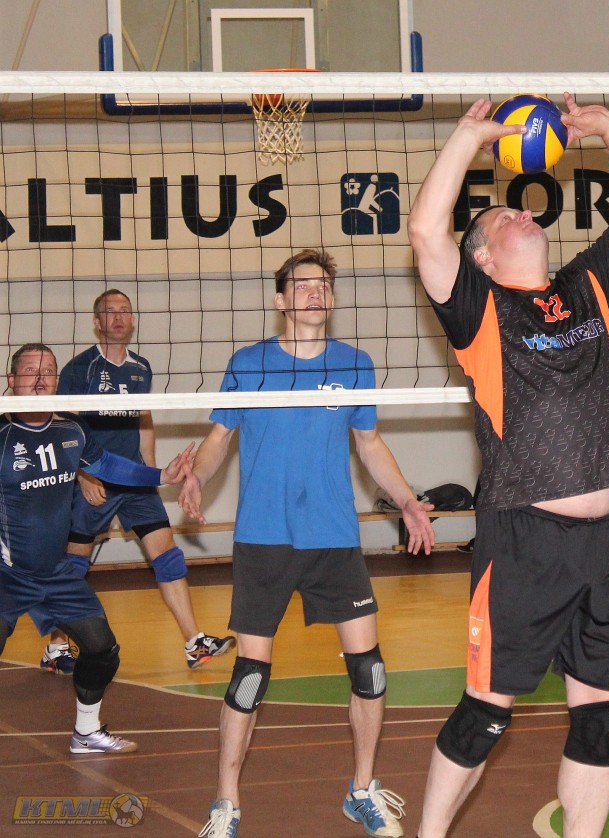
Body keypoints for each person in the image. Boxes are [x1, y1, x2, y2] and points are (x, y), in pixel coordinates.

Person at [407, 94, 609, 838]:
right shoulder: (478, 309)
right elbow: (425, 230)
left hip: (603, 545)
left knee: (604, 719)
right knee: (487, 715)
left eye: (521, 210)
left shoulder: (587, 289)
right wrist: (467, 139)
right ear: (482, 257)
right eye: (502, 218)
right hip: (524, 538)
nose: (523, 212)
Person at [178, 249, 435, 838]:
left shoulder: (354, 364)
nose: (316, 292)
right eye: (302, 285)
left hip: (333, 538)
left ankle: (362, 790)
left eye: (323, 285)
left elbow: (369, 444)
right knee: (249, 677)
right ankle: (225, 803)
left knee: (370, 672)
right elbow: (218, 437)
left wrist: (405, 500)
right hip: (264, 537)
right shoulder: (249, 364)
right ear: (280, 299)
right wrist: (198, 474)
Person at [0, 343, 193, 754]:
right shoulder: (2, 435)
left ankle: (85, 733)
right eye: (30, 371)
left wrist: (161, 474)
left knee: (103, 650)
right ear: (12, 380)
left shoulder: (71, 430)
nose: (40, 378)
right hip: (7, 574)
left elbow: (109, 465)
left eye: (48, 371)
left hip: (56, 574)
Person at [40, 289, 234, 674]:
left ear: (132, 320)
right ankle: (56, 646)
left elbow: (144, 419)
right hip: (95, 478)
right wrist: (82, 475)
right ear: (96, 322)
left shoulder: (141, 368)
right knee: (73, 567)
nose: (118, 318)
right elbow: (63, 426)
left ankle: (194, 642)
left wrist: (153, 473)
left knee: (168, 556)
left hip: (133, 480)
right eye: (109, 312)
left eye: (124, 311)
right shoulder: (80, 369)